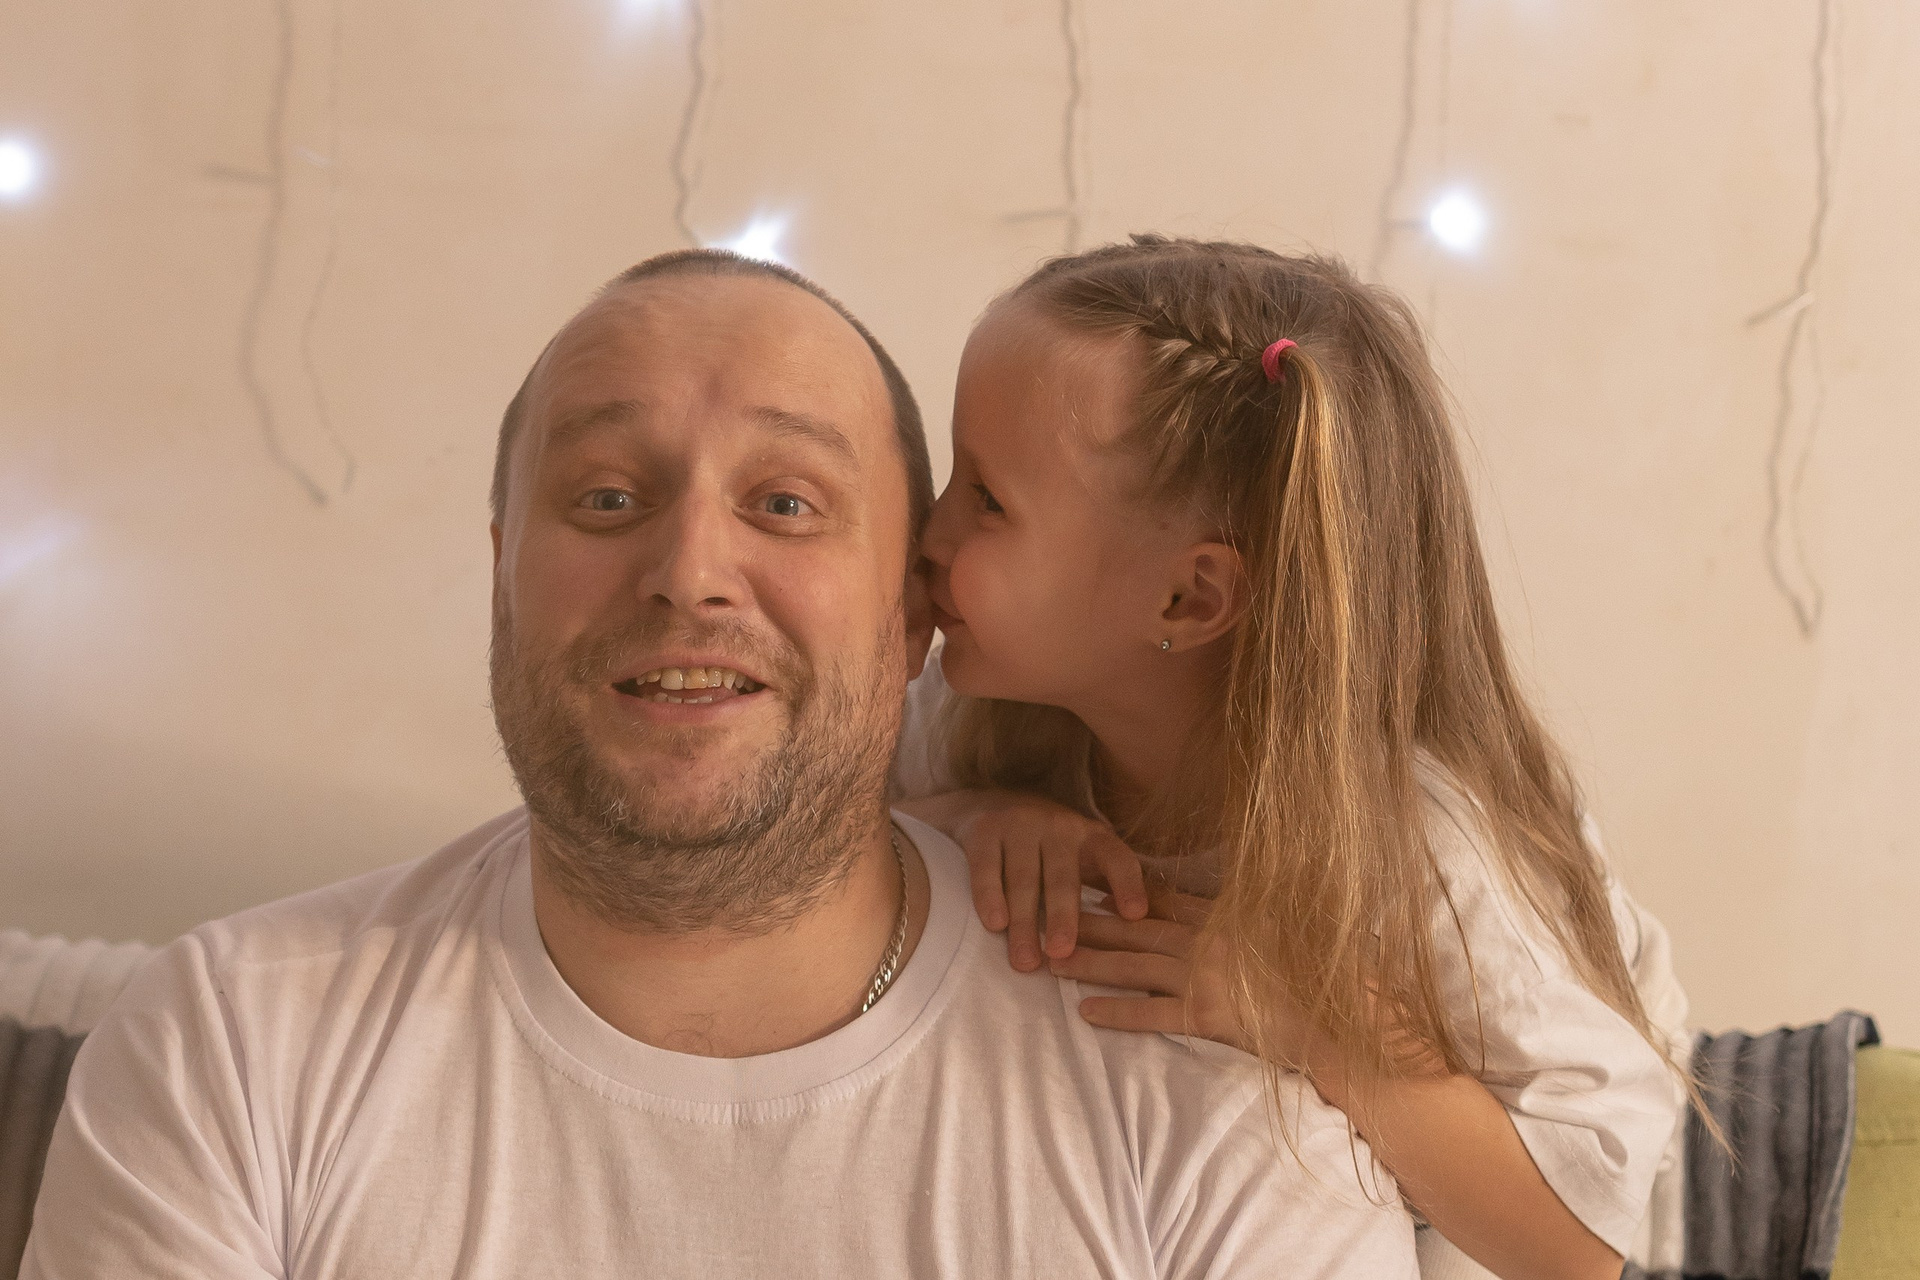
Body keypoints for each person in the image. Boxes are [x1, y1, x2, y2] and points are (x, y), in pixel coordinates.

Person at [22, 248, 1416, 1279]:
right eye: (606, 497)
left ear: (915, 604)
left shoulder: (1203, 1082)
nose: (690, 570)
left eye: (786, 503)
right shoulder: (229, 1044)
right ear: (504, 575)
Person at [892, 237, 1693, 1280]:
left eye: (987, 499)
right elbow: (828, 842)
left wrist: (1309, 1024)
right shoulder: (968, 716)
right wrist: (964, 817)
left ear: (1189, 598)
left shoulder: (1430, 853)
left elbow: (1578, 1243)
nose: (926, 533)